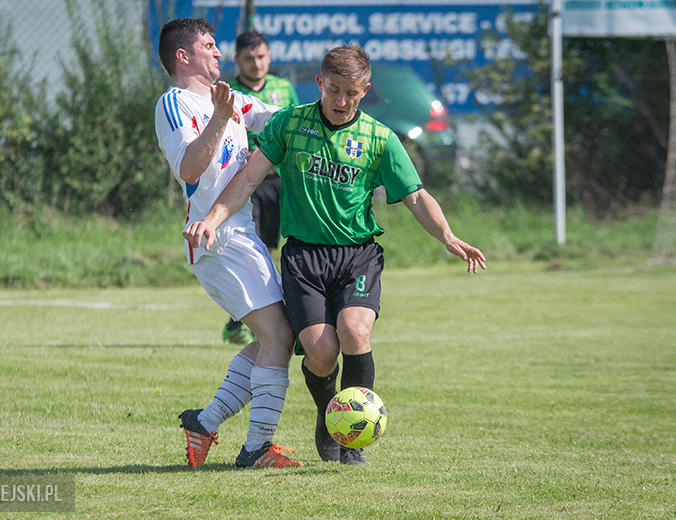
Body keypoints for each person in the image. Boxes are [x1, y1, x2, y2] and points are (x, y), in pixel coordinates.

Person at [184, 44, 487, 466]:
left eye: (352, 93)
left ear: (366, 89)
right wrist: (215, 217)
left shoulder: (380, 139)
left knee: (355, 331)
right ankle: (329, 419)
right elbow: (250, 177)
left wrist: (449, 236)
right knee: (322, 353)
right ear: (319, 84)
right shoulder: (290, 124)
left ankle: (350, 442)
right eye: (334, 91)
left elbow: (417, 197)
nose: (342, 102)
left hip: (357, 256)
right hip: (305, 259)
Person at [154, 18, 302, 469]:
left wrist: (333, 115)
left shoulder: (232, 98)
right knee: (279, 333)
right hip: (214, 235)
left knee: (279, 333)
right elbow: (190, 169)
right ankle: (257, 448)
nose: (219, 53)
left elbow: (280, 122)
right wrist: (220, 117)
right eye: (210, 46)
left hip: (241, 229)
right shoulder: (174, 103)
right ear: (184, 56)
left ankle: (206, 421)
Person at [221, 31, 300, 346]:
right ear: (237, 60)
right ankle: (243, 320)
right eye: (249, 58)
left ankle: (258, 320)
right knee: (253, 249)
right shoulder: (228, 92)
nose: (257, 64)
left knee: (278, 246)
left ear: (269, 56)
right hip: (246, 180)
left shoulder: (284, 88)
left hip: (281, 179)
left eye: (262, 56)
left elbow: (295, 127)